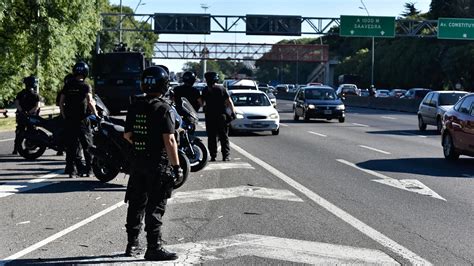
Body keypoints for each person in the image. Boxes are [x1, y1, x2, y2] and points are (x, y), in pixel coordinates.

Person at [123, 66, 182, 261]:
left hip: (138, 163)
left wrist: (142, 145)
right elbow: (170, 141)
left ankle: (132, 244)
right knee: (155, 206)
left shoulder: (134, 105)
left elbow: (127, 135)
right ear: (164, 85)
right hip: (157, 164)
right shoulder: (164, 108)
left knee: (136, 204)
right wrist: (176, 167)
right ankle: (154, 247)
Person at [58, 62, 98, 178]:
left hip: (70, 119)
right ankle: (89, 170)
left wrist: (64, 115)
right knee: (87, 145)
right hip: (83, 120)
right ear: (85, 72)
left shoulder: (68, 85)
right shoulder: (86, 86)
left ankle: (72, 171)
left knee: (72, 146)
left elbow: (61, 102)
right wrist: (96, 114)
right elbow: (90, 101)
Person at [201, 71, 236, 162]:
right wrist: (233, 113)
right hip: (221, 116)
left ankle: (213, 156)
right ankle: (226, 156)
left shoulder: (205, 90)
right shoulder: (222, 89)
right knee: (224, 136)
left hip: (209, 117)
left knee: (211, 137)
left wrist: (205, 106)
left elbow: (201, 103)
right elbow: (229, 102)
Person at [12, 75, 41, 155]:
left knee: (19, 131)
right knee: (31, 131)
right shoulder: (35, 94)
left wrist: (22, 111)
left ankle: (16, 149)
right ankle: (27, 148)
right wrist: (30, 112)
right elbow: (37, 106)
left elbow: (17, 104)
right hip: (31, 116)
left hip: (21, 115)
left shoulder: (20, 93)